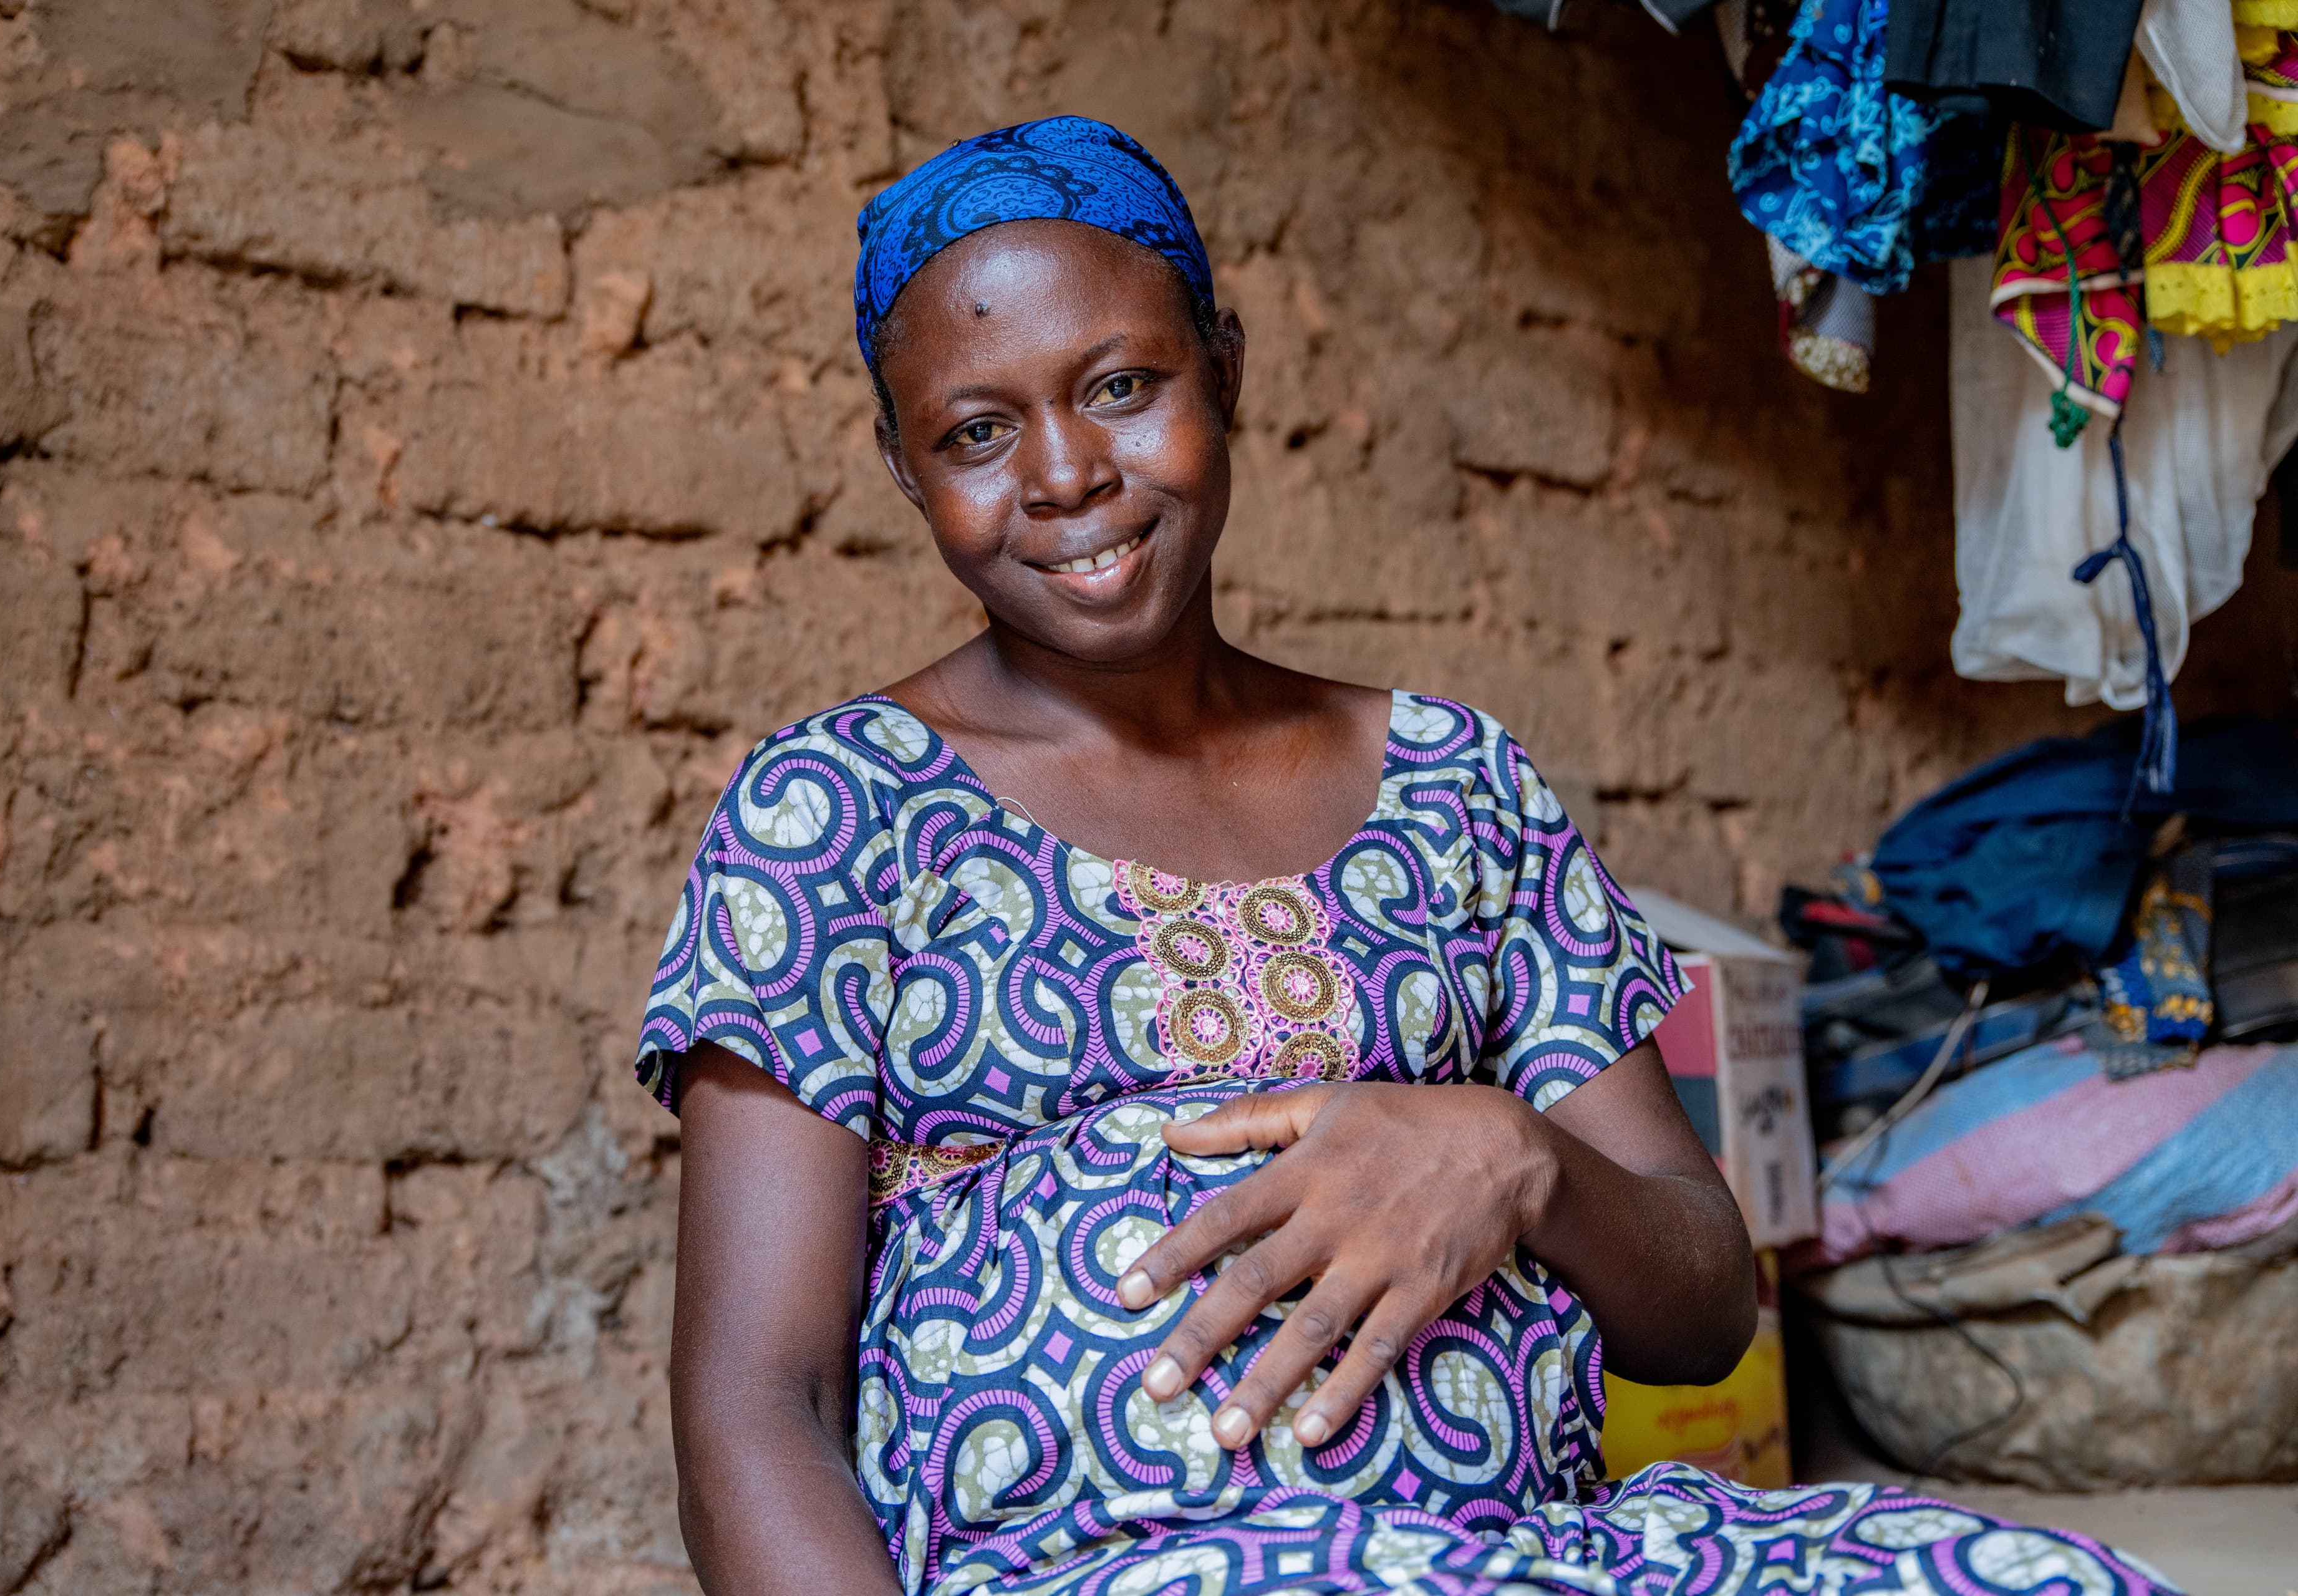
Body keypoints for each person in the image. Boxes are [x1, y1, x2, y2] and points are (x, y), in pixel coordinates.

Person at [635, 117, 2177, 1596]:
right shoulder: (834, 811)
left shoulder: (1455, 782)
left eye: (1120, 385)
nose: (1062, 475)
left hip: (1532, 1559)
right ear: (910, 471)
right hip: (1101, 1572)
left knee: (2027, 1575)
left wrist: (1514, 1154)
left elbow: (1706, 1302)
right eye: (977, 431)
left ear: (1224, 373)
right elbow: (756, 1407)